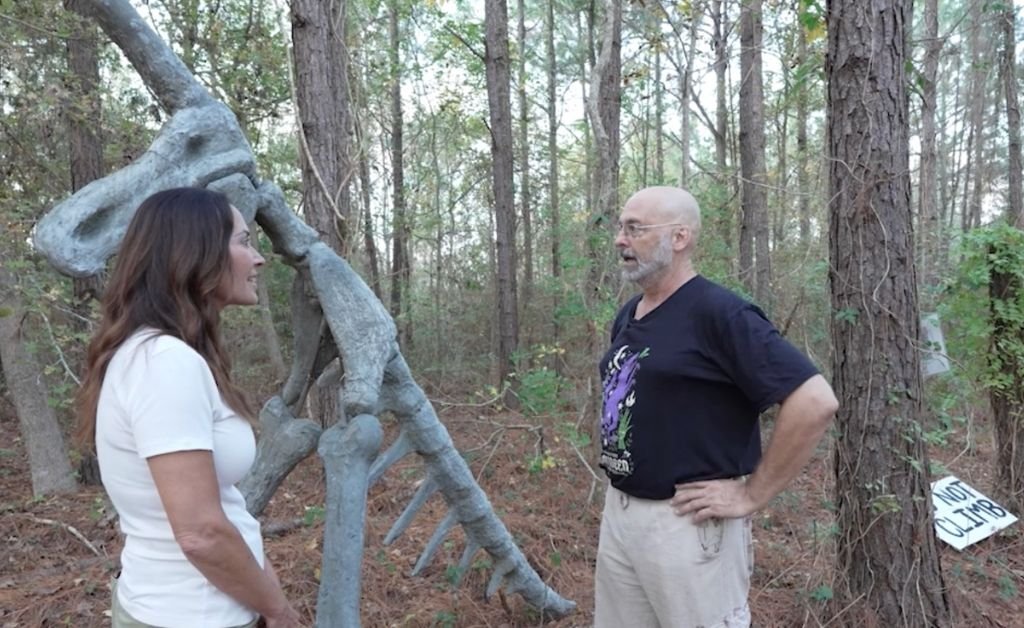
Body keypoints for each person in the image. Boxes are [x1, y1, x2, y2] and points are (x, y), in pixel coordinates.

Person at [594, 186, 838, 627]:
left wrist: (752, 493)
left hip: (685, 526)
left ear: (680, 237)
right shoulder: (631, 313)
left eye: (635, 228)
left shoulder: (720, 313)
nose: (620, 239)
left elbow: (815, 400)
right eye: (621, 227)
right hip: (622, 515)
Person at [76, 187, 301, 627]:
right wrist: (280, 612)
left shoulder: (162, 355)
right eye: (242, 241)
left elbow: (225, 507)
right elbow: (200, 533)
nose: (258, 258)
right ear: (195, 254)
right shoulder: (165, 363)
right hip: (188, 613)